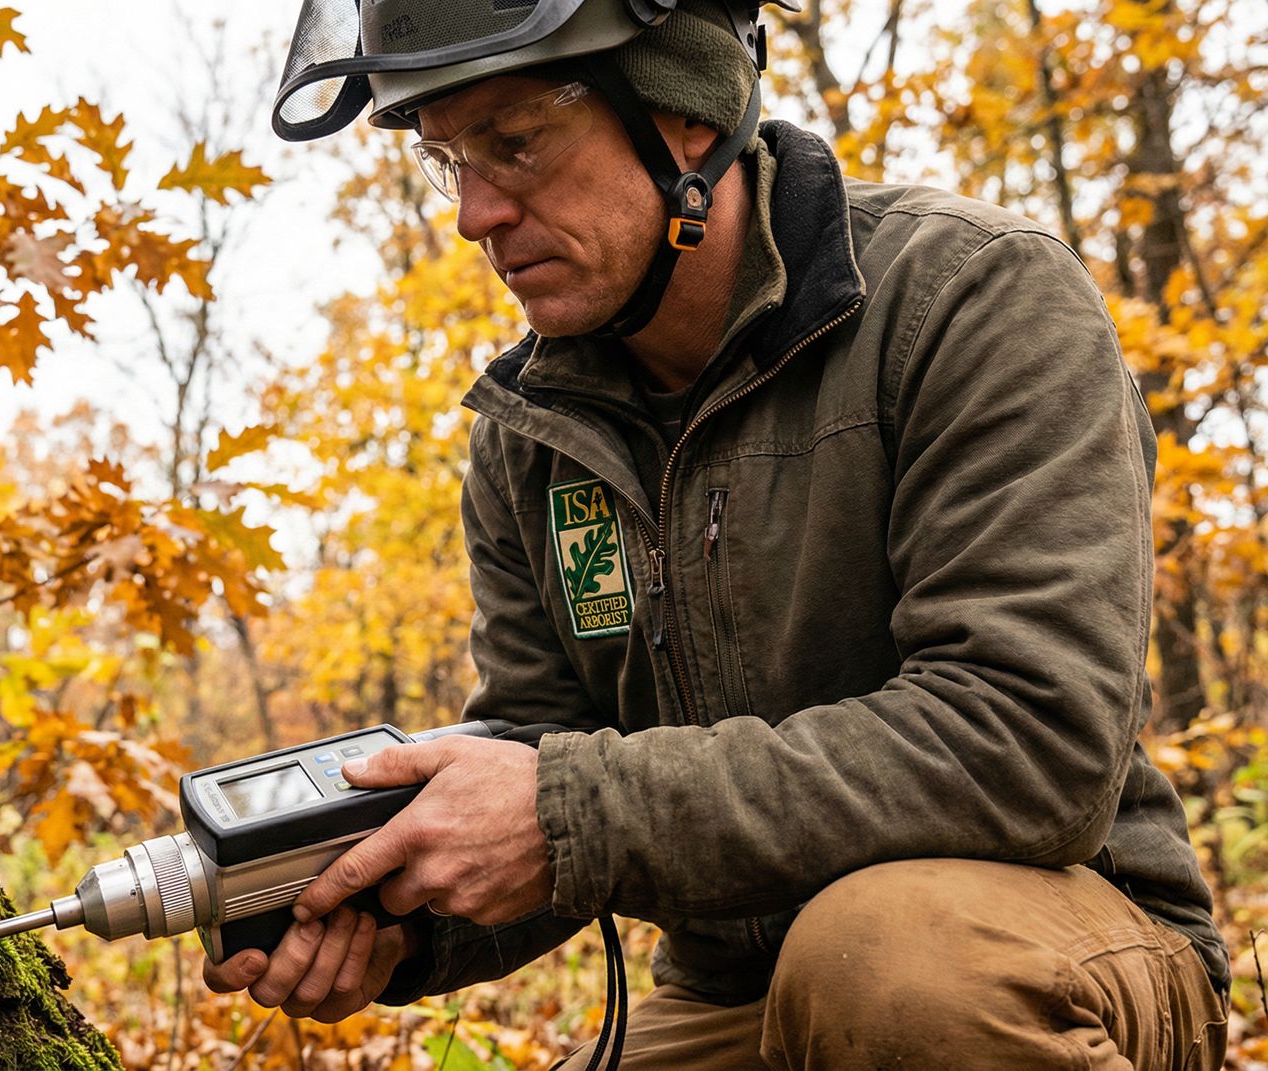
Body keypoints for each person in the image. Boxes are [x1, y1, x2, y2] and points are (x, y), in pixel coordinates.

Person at [206, 0, 1231, 1067]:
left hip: (1059, 940)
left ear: (687, 112)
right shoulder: (530, 435)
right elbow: (539, 765)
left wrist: (565, 812)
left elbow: (1029, 741)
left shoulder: (969, 297)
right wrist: (392, 911)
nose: (474, 214)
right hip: (734, 989)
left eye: (516, 143)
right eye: (449, 160)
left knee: (886, 966)